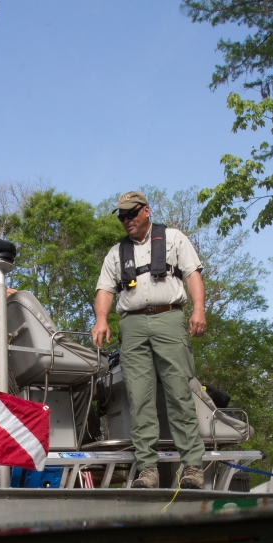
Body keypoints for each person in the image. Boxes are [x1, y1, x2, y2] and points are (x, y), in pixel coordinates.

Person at [90, 191, 207, 489]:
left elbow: (192, 274)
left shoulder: (173, 238)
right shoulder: (116, 253)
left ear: (146, 211)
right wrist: (101, 319)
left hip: (169, 317)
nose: (126, 220)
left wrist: (198, 309)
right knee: (139, 399)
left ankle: (193, 466)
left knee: (179, 393)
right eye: (122, 216)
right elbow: (104, 290)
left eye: (131, 213)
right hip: (132, 325)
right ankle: (147, 470)